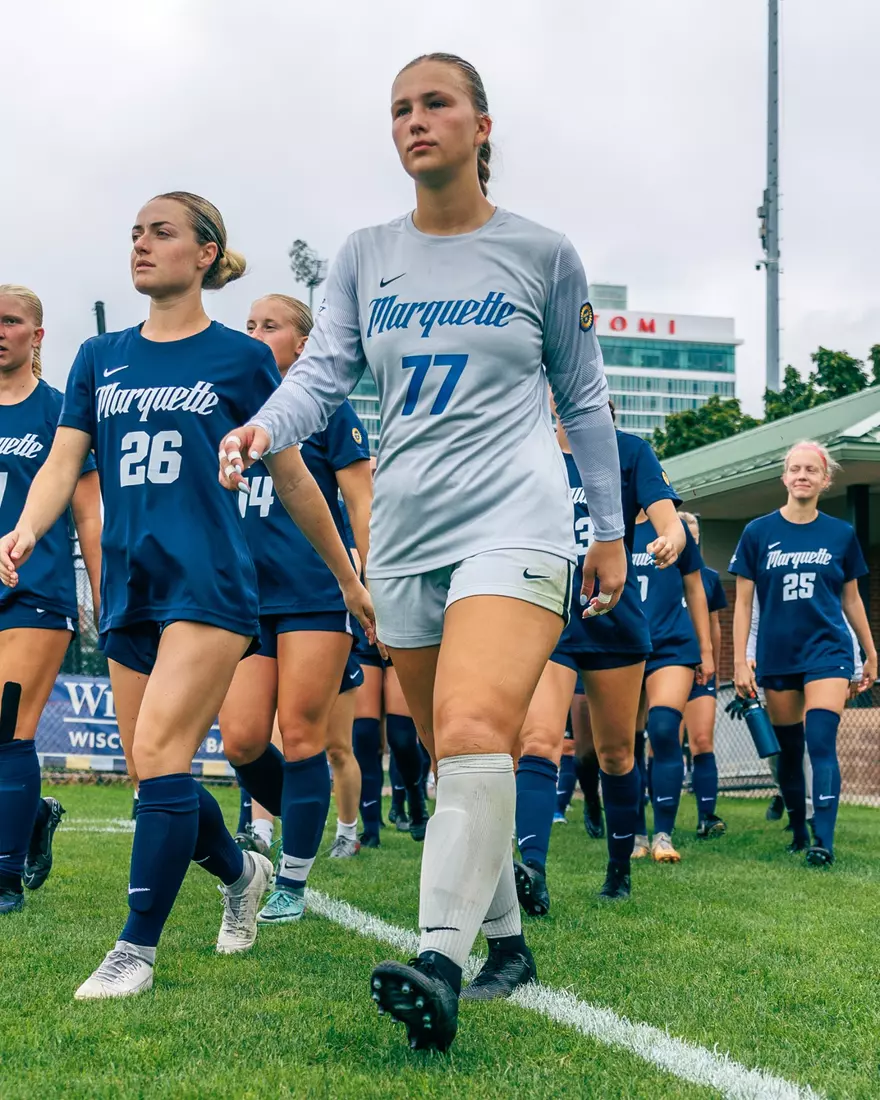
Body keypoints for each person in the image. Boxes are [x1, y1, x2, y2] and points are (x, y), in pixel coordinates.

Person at [218, 53, 627, 1052]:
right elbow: (321, 376)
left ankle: (438, 959)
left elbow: (583, 399)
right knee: (453, 756)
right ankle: (508, 942)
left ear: (481, 125)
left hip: (517, 516)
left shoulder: (542, 252)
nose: (415, 121)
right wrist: (262, 429)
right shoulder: (364, 254)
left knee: (478, 718)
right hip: (404, 530)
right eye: (399, 108)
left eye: (435, 103)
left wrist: (607, 527)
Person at [0, 193, 374, 998]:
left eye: (160, 233)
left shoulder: (242, 359)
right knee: (151, 773)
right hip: (134, 585)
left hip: (211, 583)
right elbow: (65, 465)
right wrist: (27, 530)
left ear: (206, 253)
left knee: (166, 757)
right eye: (134, 232)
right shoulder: (101, 356)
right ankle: (240, 874)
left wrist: (347, 577)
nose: (141, 244)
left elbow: (295, 475)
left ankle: (135, 949)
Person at [220, 294, 372, 922]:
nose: (255, 333)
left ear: (304, 343)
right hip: (244, 596)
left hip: (315, 591)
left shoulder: (327, 412)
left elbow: (363, 499)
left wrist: (368, 577)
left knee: (305, 733)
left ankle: (292, 878)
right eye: (249, 324)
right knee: (243, 739)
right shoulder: (228, 408)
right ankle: (306, 815)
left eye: (270, 325)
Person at [514, 403, 684, 914]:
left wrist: (670, 540)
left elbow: (668, 521)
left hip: (613, 614)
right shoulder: (528, 448)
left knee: (615, 755)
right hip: (547, 610)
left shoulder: (629, 451)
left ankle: (618, 868)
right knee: (539, 741)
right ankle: (533, 870)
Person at [0, 285, 101, 915]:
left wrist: (105, 592)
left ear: (37, 337)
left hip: (35, 593)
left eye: (9, 321)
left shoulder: (59, 412)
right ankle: (34, 813)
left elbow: (89, 512)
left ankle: (5, 877)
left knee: (8, 729)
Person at [731, 441, 875, 867]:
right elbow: (742, 603)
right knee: (790, 750)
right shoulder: (758, 532)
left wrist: (869, 651)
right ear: (784, 477)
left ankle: (823, 840)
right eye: (795, 469)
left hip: (828, 652)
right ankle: (798, 827)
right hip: (778, 656)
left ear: (824, 480)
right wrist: (740, 659)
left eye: (811, 470)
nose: (802, 476)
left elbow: (852, 600)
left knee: (820, 741)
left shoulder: (841, 534)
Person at [632, 510, 714, 862]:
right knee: (623, 744)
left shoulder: (672, 528)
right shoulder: (603, 521)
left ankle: (663, 834)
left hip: (672, 644)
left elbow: (695, 588)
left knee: (664, 729)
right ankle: (634, 832)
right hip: (622, 645)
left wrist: (706, 649)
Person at [679, 511, 728, 839]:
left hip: (700, 672)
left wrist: (714, 665)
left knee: (701, 741)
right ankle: (656, 817)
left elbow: (713, 626)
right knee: (663, 743)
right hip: (666, 664)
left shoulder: (709, 578)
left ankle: (707, 815)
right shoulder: (661, 570)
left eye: (695, 534)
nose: (691, 539)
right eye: (686, 534)